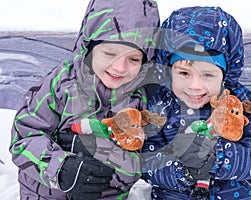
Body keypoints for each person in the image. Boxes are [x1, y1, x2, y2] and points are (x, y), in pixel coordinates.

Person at [9, 0, 160, 199]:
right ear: (88, 46)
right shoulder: (60, 84)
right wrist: (60, 168)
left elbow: (142, 159)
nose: (120, 67)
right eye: (109, 53)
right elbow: (23, 139)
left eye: (133, 59)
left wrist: (109, 157)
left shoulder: (139, 99)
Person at [141, 6, 251, 199]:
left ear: (225, 75)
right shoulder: (161, 106)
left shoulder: (240, 103)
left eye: (208, 75)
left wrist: (219, 158)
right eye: (184, 73)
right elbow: (145, 159)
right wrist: (181, 169)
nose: (195, 86)